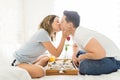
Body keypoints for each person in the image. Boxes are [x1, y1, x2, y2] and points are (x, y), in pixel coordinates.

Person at [60, 10, 120, 75]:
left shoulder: (81, 35)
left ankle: (116, 65)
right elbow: (75, 45)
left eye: (62, 21)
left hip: (113, 59)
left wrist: (83, 56)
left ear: (70, 25)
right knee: (78, 53)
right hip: (103, 55)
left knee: (83, 66)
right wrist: (74, 55)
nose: (60, 24)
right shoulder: (75, 33)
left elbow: (101, 53)